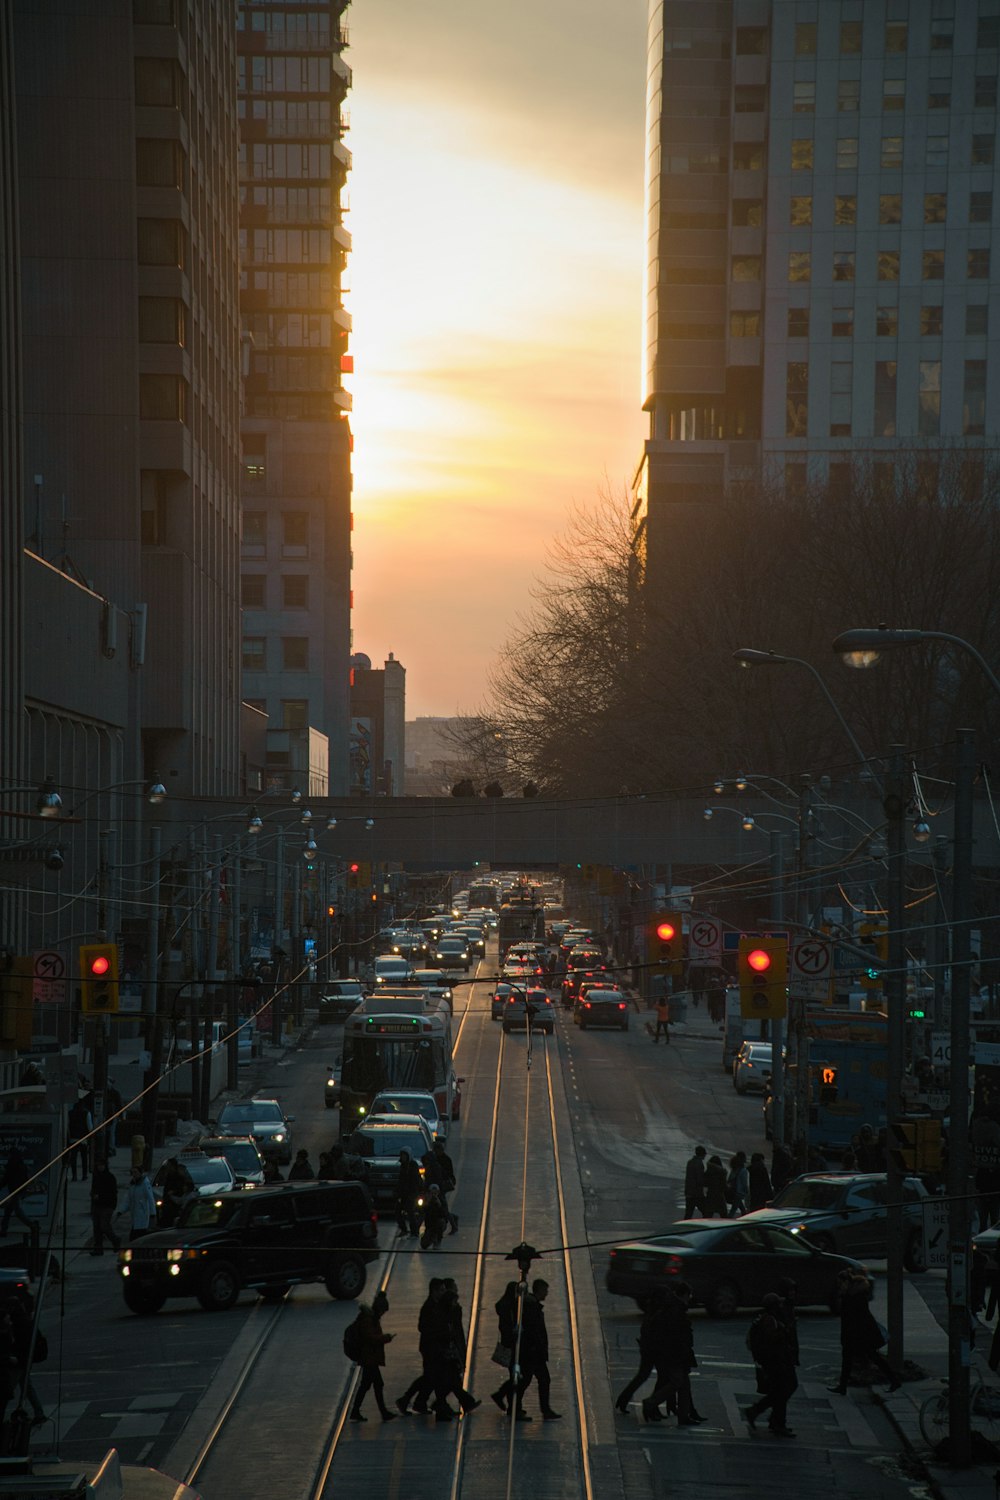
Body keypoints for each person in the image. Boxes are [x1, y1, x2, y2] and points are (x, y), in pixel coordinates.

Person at [829, 1267, 900, 1395]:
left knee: (872, 1358)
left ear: (847, 1283)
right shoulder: (852, 1295)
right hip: (857, 1335)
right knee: (849, 1359)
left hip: (861, 1335)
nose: (839, 1287)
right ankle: (842, 1386)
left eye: (841, 1283)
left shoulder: (854, 1297)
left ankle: (894, 1380)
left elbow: (854, 1319)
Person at [641, 1281, 702, 1425]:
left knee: (684, 1384)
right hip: (674, 1354)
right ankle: (651, 1402)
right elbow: (675, 1335)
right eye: (689, 1295)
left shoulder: (673, 1307)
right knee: (677, 1382)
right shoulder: (676, 1310)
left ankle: (683, 1415)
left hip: (675, 1352)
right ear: (685, 1295)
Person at [742, 1292, 798, 1437]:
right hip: (776, 1363)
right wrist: (785, 1330)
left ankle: (764, 1415)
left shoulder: (764, 1319)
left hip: (774, 1363)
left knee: (781, 1391)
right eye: (778, 1304)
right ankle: (775, 1421)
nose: (781, 1306)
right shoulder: (769, 1321)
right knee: (784, 1389)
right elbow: (773, 1342)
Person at [397, 1278, 446, 1414]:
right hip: (429, 1347)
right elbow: (422, 1326)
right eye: (441, 1290)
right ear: (434, 1291)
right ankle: (407, 1399)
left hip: (432, 1347)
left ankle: (418, 1402)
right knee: (430, 1376)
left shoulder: (435, 1305)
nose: (443, 1292)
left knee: (430, 1376)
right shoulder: (429, 1307)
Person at [433, 1278, 479, 1421]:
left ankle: (447, 1405)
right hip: (445, 1354)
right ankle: (461, 1402)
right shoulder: (443, 1317)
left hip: (449, 1353)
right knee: (450, 1380)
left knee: (451, 1380)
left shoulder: (447, 1315)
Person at [514, 1279, 560, 1421]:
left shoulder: (532, 1305)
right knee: (531, 1380)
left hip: (533, 1351)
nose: (546, 1293)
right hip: (533, 1352)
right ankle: (518, 1408)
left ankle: (518, 1407)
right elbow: (533, 1330)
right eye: (545, 1290)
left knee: (534, 1380)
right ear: (539, 1290)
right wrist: (537, 1346)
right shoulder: (532, 1306)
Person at [350, 1290, 397, 1422]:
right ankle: (383, 1412)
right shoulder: (368, 1319)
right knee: (377, 1384)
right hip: (368, 1358)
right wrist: (386, 1338)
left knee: (367, 1385)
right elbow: (370, 1338)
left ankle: (357, 1410)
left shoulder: (371, 1319)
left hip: (370, 1358)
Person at [615, 1291, 663, 1413]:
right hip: (653, 1349)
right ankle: (651, 1405)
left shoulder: (651, 1312)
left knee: (643, 1376)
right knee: (656, 1377)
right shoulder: (657, 1314)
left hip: (648, 1348)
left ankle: (624, 1398)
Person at [490, 1280, 520, 1412]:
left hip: (509, 1344)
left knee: (515, 1375)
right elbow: (506, 1328)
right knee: (516, 1375)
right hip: (511, 1346)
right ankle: (502, 1396)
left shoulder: (506, 1306)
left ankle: (510, 1404)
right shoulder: (509, 1308)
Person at [89, 1159, 121, 1255]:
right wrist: (93, 1195)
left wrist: (100, 1196)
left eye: (102, 1165)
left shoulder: (110, 1177)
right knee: (97, 1228)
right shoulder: (96, 1177)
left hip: (107, 1205)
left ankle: (115, 1240)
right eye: (98, 1165)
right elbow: (93, 1189)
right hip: (97, 1205)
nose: (100, 1167)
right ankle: (98, 1248)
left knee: (104, 1226)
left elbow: (112, 1193)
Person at [0, 1150, 31, 1236]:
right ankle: (3, 1230)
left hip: (15, 1191)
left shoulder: (12, 1166)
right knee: (9, 1211)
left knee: (17, 1211)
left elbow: (6, 1179)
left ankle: (32, 1225)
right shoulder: (21, 1166)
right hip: (18, 1191)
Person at [158, 1157, 194, 1228]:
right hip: (168, 1205)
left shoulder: (179, 1177)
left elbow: (180, 1192)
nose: (167, 1168)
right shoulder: (169, 1176)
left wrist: (173, 1192)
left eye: (169, 1166)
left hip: (175, 1207)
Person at [432, 1139, 459, 1233]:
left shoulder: (445, 1159)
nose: (435, 1152)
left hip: (442, 1186)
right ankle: (452, 1219)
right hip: (436, 1186)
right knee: (440, 1206)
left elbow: (448, 1174)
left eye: (437, 1150)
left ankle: (453, 1222)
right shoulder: (435, 1159)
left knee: (442, 1206)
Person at [125, 1165, 157, 1241]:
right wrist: (120, 1210)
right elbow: (128, 1199)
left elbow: (150, 1199)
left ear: (140, 1173)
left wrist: (152, 1214)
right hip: (135, 1217)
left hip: (142, 1216)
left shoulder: (145, 1183)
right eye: (132, 1172)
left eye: (135, 1172)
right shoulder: (132, 1184)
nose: (134, 1174)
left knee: (139, 1237)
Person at [395, 1150, 422, 1238]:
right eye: (402, 1155)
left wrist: (413, 1193)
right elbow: (401, 1180)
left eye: (404, 1156)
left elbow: (414, 1180)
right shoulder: (403, 1165)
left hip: (411, 1193)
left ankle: (414, 1232)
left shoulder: (413, 1165)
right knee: (397, 1211)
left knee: (410, 1212)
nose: (403, 1157)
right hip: (403, 1194)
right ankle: (404, 1229)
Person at [67, 1094, 92, 1182]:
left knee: (73, 1158)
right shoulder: (86, 1113)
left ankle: (74, 1176)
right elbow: (89, 1127)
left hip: (73, 1138)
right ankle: (84, 1175)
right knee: (84, 1157)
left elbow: (67, 1126)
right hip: (83, 1138)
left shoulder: (70, 1113)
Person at [420, 1184, 448, 1249]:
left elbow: (444, 1214)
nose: (434, 1195)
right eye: (432, 1193)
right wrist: (427, 1203)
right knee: (424, 1245)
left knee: (440, 1223)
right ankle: (432, 1238)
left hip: (438, 1223)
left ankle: (437, 1240)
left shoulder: (441, 1200)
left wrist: (439, 1205)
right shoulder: (427, 1200)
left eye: (435, 1193)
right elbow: (421, 1211)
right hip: (429, 1225)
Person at [684, 1146, 707, 1218]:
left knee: (688, 1213)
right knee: (706, 1211)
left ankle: (684, 1227)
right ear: (702, 1154)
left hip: (689, 1192)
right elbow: (700, 1179)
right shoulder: (699, 1163)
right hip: (697, 1193)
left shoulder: (690, 1162)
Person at [727, 1151, 749, 1217]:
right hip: (739, 1192)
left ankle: (744, 1215)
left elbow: (729, 1179)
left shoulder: (734, 1168)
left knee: (740, 1207)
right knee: (733, 1209)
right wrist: (746, 1191)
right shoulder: (743, 1170)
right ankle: (727, 1220)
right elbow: (744, 1182)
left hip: (733, 1191)